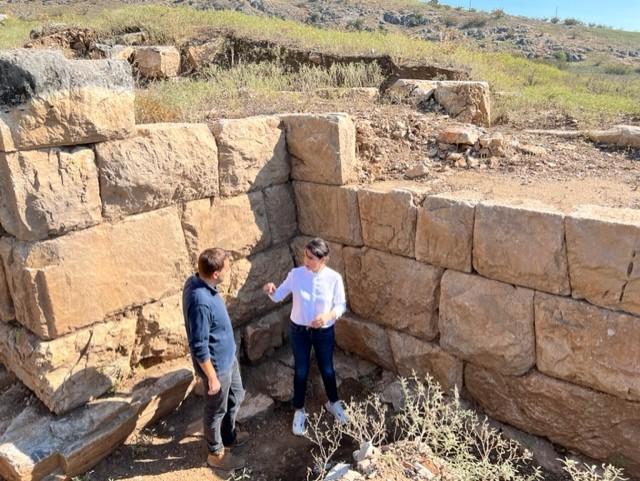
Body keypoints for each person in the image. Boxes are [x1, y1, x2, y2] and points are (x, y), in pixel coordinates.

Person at [263, 237, 348, 436]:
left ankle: (333, 403)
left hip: (324, 331)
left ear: (323, 259)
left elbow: (341, 305)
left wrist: (327, 316)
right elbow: (278, 295)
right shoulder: (296, 275)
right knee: (301, 371)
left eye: (311, 258)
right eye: (305, 256)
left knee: (327, 369)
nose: (306, 261)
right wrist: (270, 291)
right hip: (299, 331)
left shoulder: (334, 278)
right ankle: (299, 411)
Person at [183, 248, 248, 472]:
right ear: (216, 274)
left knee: (237, 395)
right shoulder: (200, 302)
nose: (230, 271)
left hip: (228, 357)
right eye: (227, 268)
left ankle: (228, 436)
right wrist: (211, 378)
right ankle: (216, 453)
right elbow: (199, 345)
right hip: (217, 368)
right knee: (215, 410)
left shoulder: (198, 281)